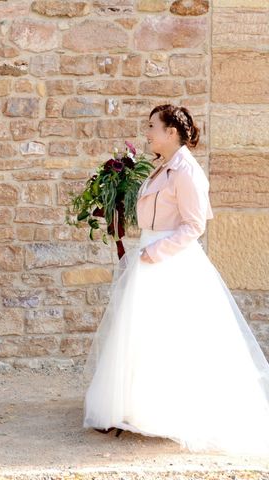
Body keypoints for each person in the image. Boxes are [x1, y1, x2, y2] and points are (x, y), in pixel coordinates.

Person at [83, 104, 269, 454]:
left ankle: (168, 412)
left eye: (153, 126)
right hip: (151, 256)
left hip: (170, 263)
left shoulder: (186, 170)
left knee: (172, 337)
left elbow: (194, 225)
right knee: (142, 335)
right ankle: (135, 407)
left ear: (172, 132)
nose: (148, 132)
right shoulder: (163, 166)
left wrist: (157, 251)